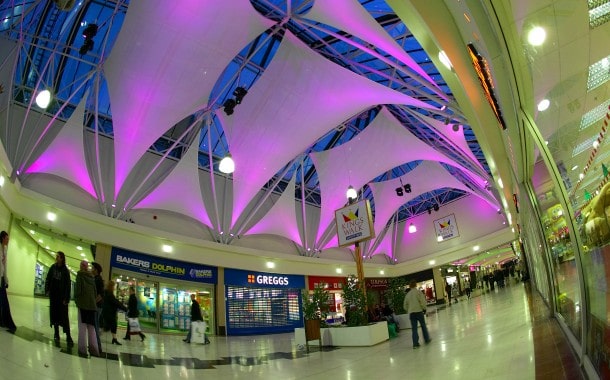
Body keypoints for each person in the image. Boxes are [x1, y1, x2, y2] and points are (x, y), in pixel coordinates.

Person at [45, 251, 73, 346]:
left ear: (62, 258)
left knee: (64, 317)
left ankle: (68, 336)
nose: (56, 258)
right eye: (56, 256)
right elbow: (48, 279)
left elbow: (68, 285)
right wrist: (47, 289)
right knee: (54, 315)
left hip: (62, 298)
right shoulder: (53, 267)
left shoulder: (65, 270)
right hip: (54, 297)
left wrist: (66, 298)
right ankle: (56, 333)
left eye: (58, 256)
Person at [74, 260, 100, 357]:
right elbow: (95, 292)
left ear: (82, 266)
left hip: (83, 305)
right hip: (92, 306)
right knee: (91, 328)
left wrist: (76, 300)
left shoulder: (80, 275)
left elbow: (78, 291)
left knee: (82, 327)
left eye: (81, 265)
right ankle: (94, 349)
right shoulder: (92, 277)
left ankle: (82, 349)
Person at [403, 280, 431, 349]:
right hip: (419, 312)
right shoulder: (418, 292)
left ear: (410, 286)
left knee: (414, 329)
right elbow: (422, 302)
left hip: (412, 313)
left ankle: (415, 344)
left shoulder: (408, 294)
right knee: (423, 326)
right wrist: (424, 309)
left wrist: (408, 310)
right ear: (415, 285)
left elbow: (405, 305)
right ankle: (426, 339)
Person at [0, 231, 16, 333]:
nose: (8, 240)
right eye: (7, 238)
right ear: (2, 238)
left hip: (1, 278)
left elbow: (5, 266)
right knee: (3, 302)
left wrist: (6, 279)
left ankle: (5, 322)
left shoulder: (5, 249)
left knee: (4, 301)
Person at [101, 280, 127, 345]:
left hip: (108, 312)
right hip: (109, 313)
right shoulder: (109, 294)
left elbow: (115, 302)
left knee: (112, 326)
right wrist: (125, 308)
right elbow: (115, 302)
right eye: (114, 286)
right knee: (109, 326)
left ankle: (114, 339)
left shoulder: (107, 292)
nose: (114, 287)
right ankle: (96, 337)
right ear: (111, 286)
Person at [91, 262, 104, 353]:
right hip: (96, 306)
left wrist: (93, 303)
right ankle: (95, 345)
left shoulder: (98, 279)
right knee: (94, 326)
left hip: (97, 307)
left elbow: (101, 294)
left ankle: (98, 347)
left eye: (93, 268)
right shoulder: (95, 278)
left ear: (96, 270)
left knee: (95, 327)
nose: (91, 269)